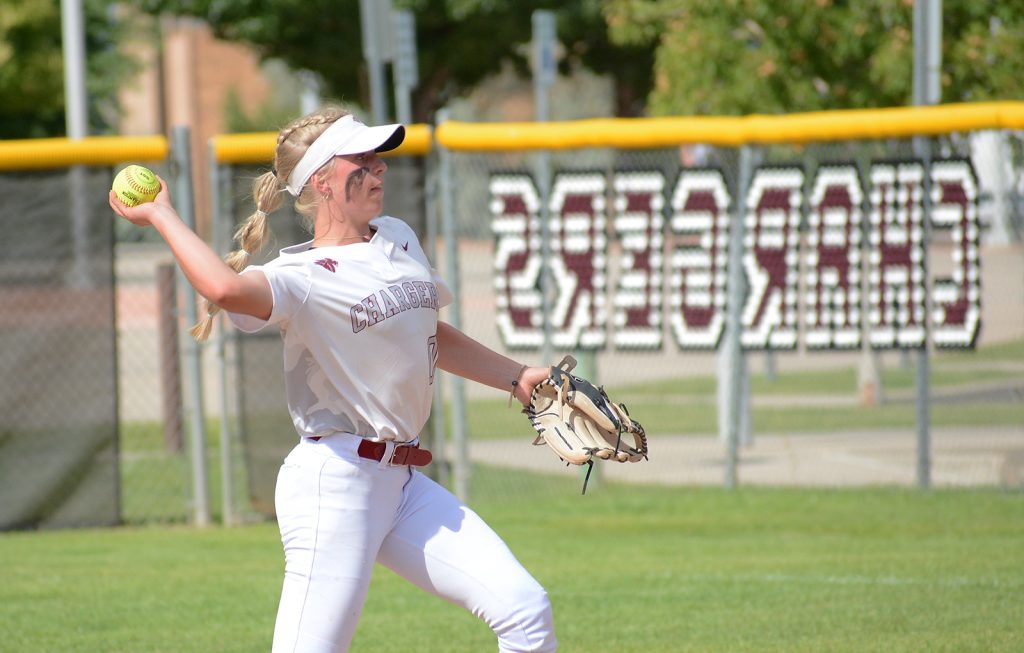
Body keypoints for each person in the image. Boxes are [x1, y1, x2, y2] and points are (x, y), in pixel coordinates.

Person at [109, 106, 558, 653]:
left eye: (378, 160)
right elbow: (224, 291)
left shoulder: (396, 237)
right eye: (361, 161)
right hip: (336, 483)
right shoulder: (299, 277)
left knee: (525, 609)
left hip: (404, 484)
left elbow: (425, 332)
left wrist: (517, 377)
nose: (378, 170)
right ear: (321, 181)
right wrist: (162, 216)